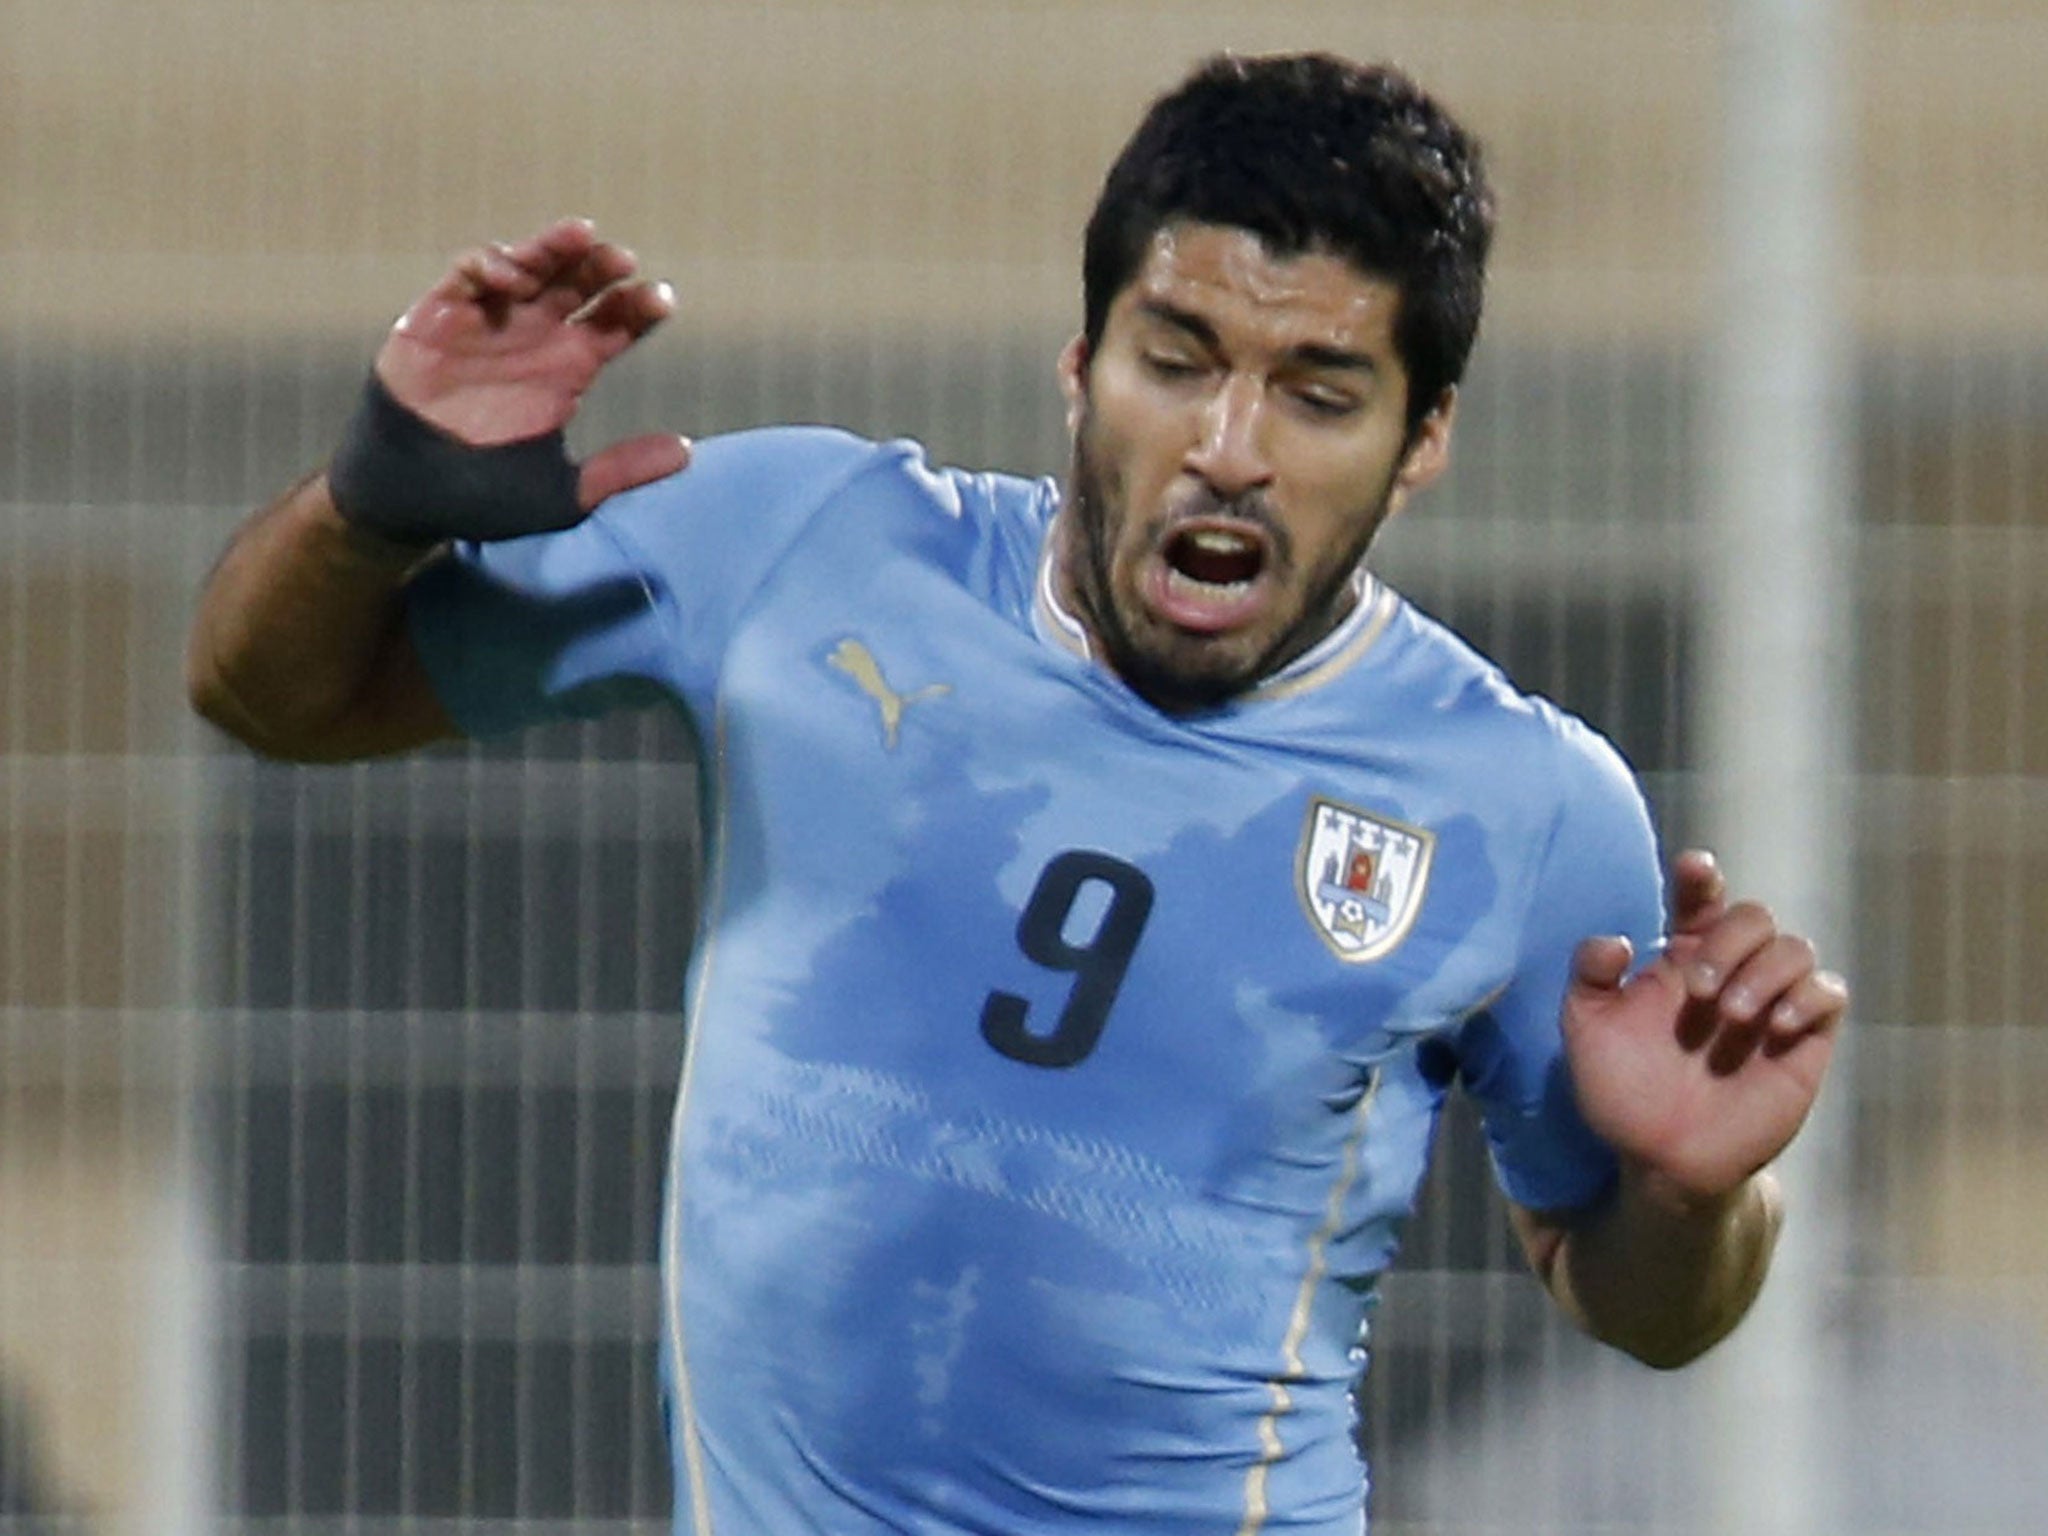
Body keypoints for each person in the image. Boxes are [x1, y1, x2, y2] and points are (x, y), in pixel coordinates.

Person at [188, 51, 1848, 1536]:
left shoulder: (1522, 803)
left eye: (1320, 394)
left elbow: (1639, 1302)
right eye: (1176, 358)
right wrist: (371, 506)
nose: (1231, 447)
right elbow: (268, 690)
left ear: (1424, 440)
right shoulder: (807, 547)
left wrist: (1694, 1199)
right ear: (1079, 360)